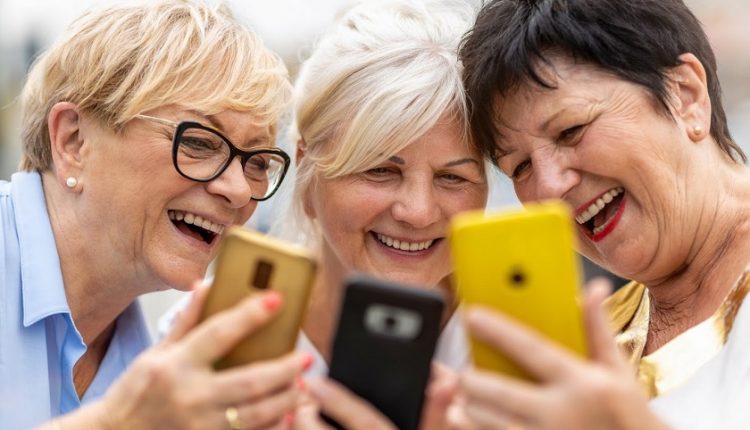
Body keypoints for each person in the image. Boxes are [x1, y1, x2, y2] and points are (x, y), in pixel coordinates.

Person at [0, 1, 313, 429]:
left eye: (257, 162)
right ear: (73, 141)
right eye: (200, 143)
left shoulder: (165, 355)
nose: (240, 191)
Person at [452, 0, 750, 427]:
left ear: (685, 96)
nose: (550, 187)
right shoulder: (585, 342)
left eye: (570, 130)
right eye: (520, 167)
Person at [277, 0, 488, 426]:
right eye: (380, 170)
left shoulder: (531, 349)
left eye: (452, 178)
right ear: (306, 169)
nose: (417, 211)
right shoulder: (218, 336)